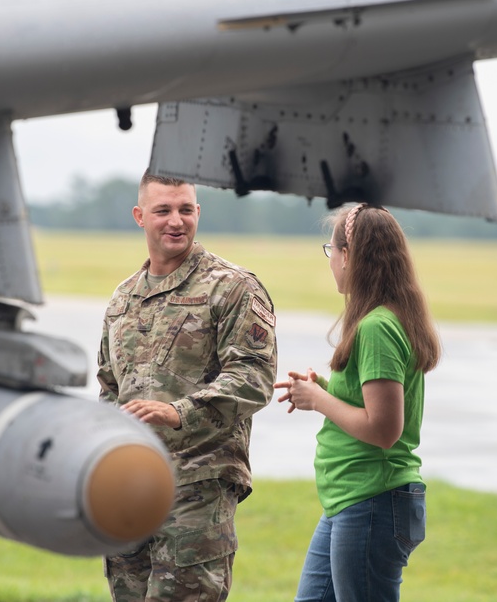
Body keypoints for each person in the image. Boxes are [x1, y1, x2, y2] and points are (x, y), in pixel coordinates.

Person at [97, 170, 277, 602]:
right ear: (141, 216)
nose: (175, 221)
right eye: (163, 211)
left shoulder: (232, 287)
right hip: (128, 489)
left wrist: (180, 412)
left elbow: (254, 376)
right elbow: (108, 388)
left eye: (184, 210)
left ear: (198, 212)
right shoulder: (123, 299)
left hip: (197, 488)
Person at [274, 203, 440, 602]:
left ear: (350, 256)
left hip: (372, 501)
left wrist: (318, 400)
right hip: (351, 500)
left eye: (332, 252)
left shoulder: (377, 327)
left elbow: (383, 429)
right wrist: (326, 389)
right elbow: (370, 402)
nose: (331, 263)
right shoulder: (385, 319)